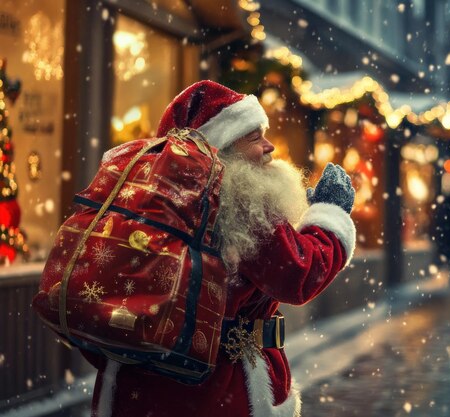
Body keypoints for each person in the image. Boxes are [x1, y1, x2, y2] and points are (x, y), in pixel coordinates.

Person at [86, 80, 356, 417]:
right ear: (223, 148)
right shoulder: (240, 200)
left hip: (139, 379)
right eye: (255, 137)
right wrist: (330, 216)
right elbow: (299, 273)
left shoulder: (154, 196)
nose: (270, 147)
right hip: (215, 389)